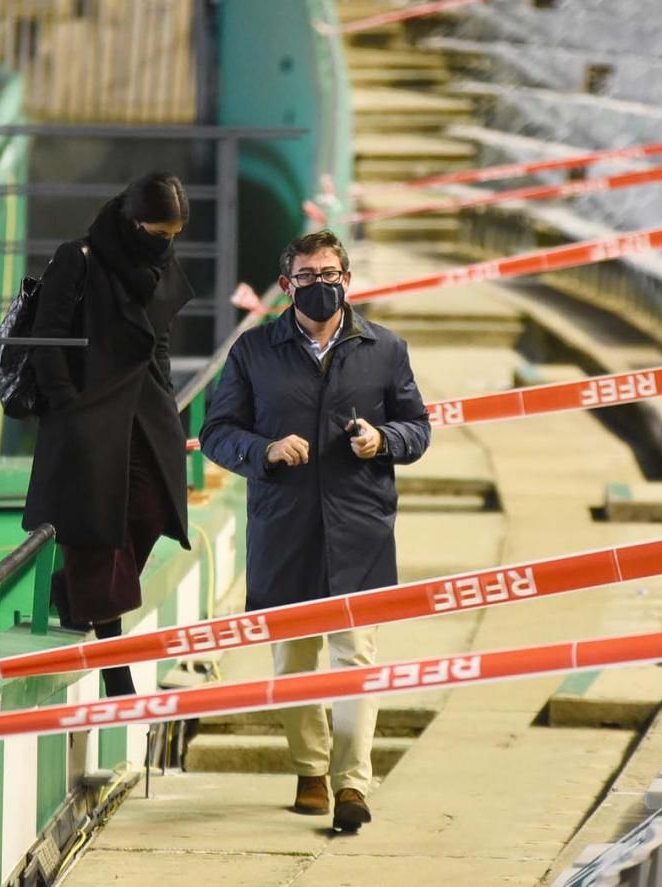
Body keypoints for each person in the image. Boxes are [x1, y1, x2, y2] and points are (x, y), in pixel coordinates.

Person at [199, 229, 431, 832]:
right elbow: (218, 431)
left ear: (347, 280)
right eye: (308, 276)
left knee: (355, 659)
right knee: (296, 660)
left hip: (360, 528)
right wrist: (266, 450)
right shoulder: (253, 353)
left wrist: (384, 440)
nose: (321, 285)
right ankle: (310, 768)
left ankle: (353, 783)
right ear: (286, 286)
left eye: (331, 274)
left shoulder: (385, 349)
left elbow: (418, 429)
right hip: (286, 529)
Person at [22, 172, 195, 698]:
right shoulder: (78, 258)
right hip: (87, 408)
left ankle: (73, 596)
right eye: (157, 230)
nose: (165, 243)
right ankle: (114, 662)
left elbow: (158, 341)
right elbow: (47, 337)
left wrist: (166, 400)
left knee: (149, 509)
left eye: (174, 234)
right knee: (97, 530)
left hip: (144, 403)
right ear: (132, 219)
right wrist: (67, 408)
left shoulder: (160, 264)